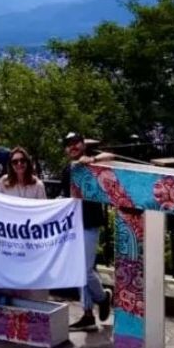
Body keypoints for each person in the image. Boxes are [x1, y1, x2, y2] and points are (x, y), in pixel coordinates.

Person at [60, 132, 113, 332]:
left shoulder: (92, 164)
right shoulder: (68, 169)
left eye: (76, 143)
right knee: (79, 270)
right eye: (69, 144)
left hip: (90, 223)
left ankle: (103, 297)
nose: (72, 147)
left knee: (85, 270)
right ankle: (88, 314)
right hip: (73, 225)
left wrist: (91, 159)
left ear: (83, 144)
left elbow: (111, 158)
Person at [0, 146, 48, 303]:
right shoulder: (3, 183)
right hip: (9, 238)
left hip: (29, 239)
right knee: (7, 278)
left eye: (22, 161)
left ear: (28, 162)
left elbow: (43, 211)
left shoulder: (38, 185)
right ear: (10, 164)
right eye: (15, 161)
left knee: (27, 278)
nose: (19, 164)